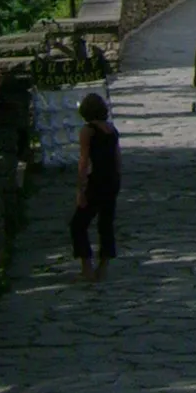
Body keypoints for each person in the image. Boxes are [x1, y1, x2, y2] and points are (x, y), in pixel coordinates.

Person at [71, 93, 121, 282]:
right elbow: (117, 157)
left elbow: (84, 161)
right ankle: (103, 265)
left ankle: (86, 265)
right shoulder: (111, 129)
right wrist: (118, 179)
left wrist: (80, 188)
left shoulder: (88, 131)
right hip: (112, 180)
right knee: (106, 223)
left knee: (78, 224)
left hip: (96, 180)